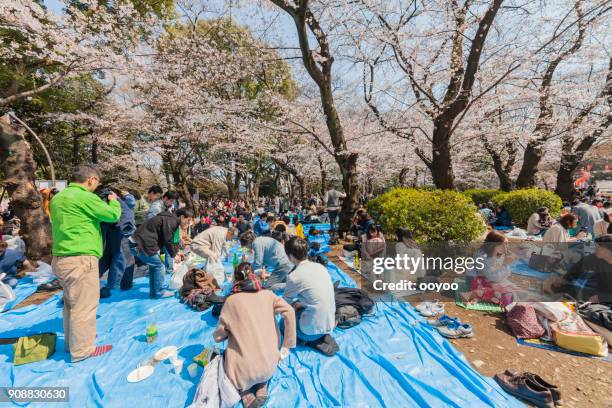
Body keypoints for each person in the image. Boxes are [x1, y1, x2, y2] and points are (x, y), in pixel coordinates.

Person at [50, 165, 121, 362]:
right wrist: (114, 202)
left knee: (70, 304)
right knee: (84, 306)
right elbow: (112, 215)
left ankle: (73, 342)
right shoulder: (84, 197)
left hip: (60, 258)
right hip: (80, 259)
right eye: (96, 183)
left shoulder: (58, 198)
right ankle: (82, 350)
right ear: (90, 180)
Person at [214, 262, 296, 408]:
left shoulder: (231, 301)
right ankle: (262, 384)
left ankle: (245, 392)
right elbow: (289, 311)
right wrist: (286, 345)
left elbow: (218, 337)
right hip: (270, 365)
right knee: (262, 361)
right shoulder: (269, 295)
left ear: (235, 280)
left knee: (226, 355)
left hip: (244, 372)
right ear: (254, 276)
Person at [283, 236, 337, 355]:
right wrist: (301, 304)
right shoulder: (320, 267)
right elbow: (315, 296)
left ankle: (310, 340)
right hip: (330, 324)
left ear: (291, 256)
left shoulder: (294, 276)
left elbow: (284, 304)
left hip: (311, 330)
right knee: (300, 306)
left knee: (283, 324)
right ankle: (321, 337)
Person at [130, 208, 193, 298]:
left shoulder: (169, 218)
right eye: (188, 220)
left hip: (138, 242)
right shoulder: (172, 220)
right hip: (141, 243)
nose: (188, 223)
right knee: (159, 266)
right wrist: (174, 255)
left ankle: (154, 292)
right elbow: (167, 240)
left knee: (155, 266)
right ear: (182, 217)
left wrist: (176, 252)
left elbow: (169, 239)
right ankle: (158, 292)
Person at [546, 235, 612, 302]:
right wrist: (565, 279)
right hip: (592, 289)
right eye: (596, 247)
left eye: (599, 248)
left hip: (604, 295)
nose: (596, 250)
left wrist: (602, 297)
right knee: (556, 286)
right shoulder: (595, 257)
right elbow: (578, 267)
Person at [98, 189, 136, 298]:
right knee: (124, 259)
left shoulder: (101, 201)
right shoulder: (116, 201)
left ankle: (92, 280)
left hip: (110, 231)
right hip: (119, 232)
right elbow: (127, 218)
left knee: (108, 257)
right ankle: (120, 285)